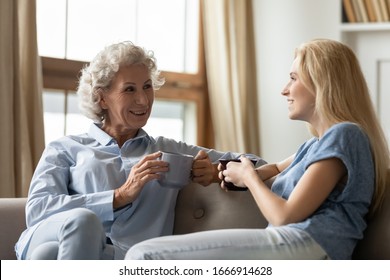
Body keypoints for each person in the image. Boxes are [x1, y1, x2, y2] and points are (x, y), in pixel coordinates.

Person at [125, 39, 390, 260]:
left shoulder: (345, 135)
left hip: (310, 244)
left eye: (293, 78)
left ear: (322, 82)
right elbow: (275, 168)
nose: (284, 90)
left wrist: (249, 178)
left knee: (145, 256)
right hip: (297, 244)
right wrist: (229, 172)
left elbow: (285, 216)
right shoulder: (316, 145)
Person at [15, 41, 264, 260]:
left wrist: (214, 169)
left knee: (46, 256)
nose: (144, 100)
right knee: (82, 221)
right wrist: (118, 197)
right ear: (102, 98)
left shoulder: (168, 151)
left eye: (147, 87)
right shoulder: (66, 148)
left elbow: (256, 163)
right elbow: (37, 211)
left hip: (116, 258)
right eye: (129, 89)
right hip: (49, 234)